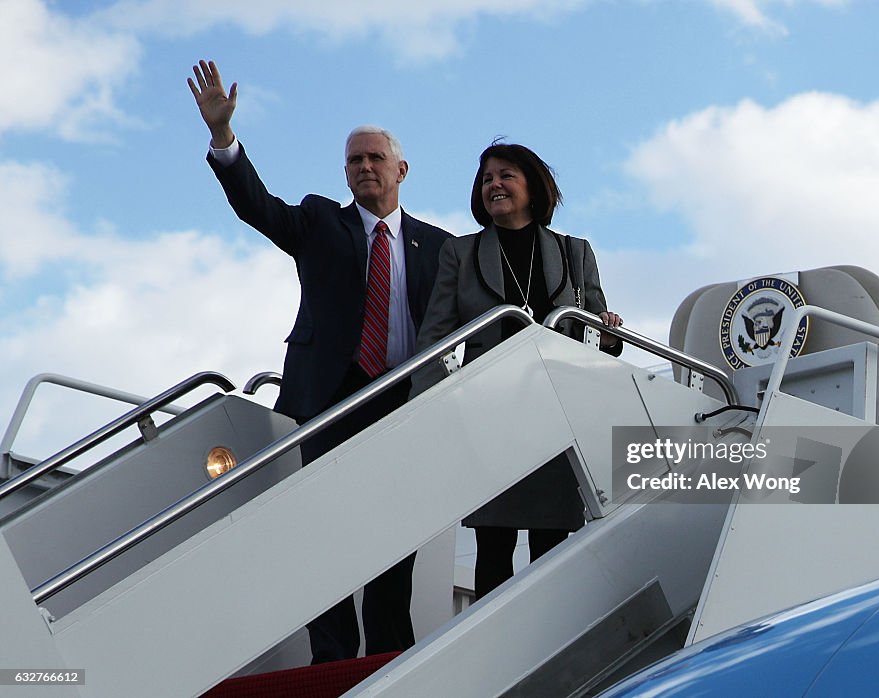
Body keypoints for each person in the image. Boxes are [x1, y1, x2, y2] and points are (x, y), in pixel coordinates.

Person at [188, 60, 453, 663]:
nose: (362, 168)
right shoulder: (318, 220)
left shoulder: (439, 246)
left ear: (401, 170)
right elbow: (257, 206)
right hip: (330, 402)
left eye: (373, 159)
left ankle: (389, 657)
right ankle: (331, 662)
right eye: (353, 161)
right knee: (323, 536)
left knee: (393, 537)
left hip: (403, 403)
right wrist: (224, 138)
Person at [411, 142, 622, 599]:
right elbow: (435, 338)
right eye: (487, 179)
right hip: (491, 415)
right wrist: (425, 412)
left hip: (556, 412)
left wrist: (608, 331)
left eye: (506, 175)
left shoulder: (574, 252)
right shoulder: (460, 253)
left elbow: (603, 343)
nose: (494, 186)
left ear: (533, 186)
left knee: (553, 545)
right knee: (493, 544)